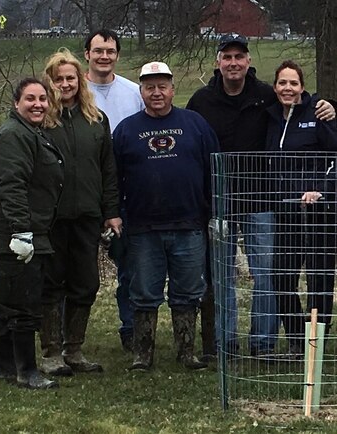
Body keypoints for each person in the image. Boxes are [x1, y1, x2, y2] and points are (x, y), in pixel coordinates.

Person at [186, 33, 335, 359]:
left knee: (265, 273)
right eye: (227, 57)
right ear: (218, 62)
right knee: (221, 276)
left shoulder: (265, 95)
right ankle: (224, 344)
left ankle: (263, 344)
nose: (234, 63)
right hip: (219, 201)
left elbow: (296, 102)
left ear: (248, 61)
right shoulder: (201, 100)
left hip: (261, 201)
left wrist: (324, 104)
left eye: (240, 56)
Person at [112, 62, 221, 370]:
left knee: (187, 293)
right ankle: (142, 353)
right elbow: (113, 179)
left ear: (173, 90)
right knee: (144, 292)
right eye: (149, 87)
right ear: (141, 92)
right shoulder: (126, 130)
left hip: (189, 225)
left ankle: (187, 353)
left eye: (162, 86)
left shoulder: (195, 124)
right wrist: (113, 214)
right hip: (143, 228)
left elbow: (215, 171)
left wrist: (215, 213)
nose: (156, 93)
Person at [29, 49, 121, 377]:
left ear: (79, 80)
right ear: (49, 82)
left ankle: (74, 349)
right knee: (51, 284)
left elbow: (108, 170)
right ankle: (51, 352)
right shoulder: (39, 120)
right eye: (58, 79)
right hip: (51, 218)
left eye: (70, 78)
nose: (65, 84)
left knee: (86, 283)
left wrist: (111, 211)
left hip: (87, 216)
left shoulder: (96, 119)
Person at [0, 78, 64, 389]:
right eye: (30, 98)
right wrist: (21, 231)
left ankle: (5, 368)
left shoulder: (29, 133)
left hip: (18, 230)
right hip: (13, 233)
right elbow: (11, 185)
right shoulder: (16, 135)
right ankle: (26, 371)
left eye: (43, 98)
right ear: (16, 103)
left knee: (5, 303)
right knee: (23, 305)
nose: (38, 104)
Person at [265, 60, 337, 356]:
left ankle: (317, 342)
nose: (288, 88)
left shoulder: (318, 114)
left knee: (318, 279)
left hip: (320, 215)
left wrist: (321, 190)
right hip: (286, 214)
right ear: (275, 87)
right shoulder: (272, 116)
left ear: (302, 87)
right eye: (282, 83)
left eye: (294, 83)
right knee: (282, 278)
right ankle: (299, 342)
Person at [84, 29, 145, 353]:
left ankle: (131, 328)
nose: (104, 56)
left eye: (109, 51)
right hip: (81, 188)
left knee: (129, 266)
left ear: (117, 55)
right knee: (74, 270)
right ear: (87, 55)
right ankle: (68, 339)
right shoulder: (73, 89)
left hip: (123, 190)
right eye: (98, 51)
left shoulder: (133, 92)